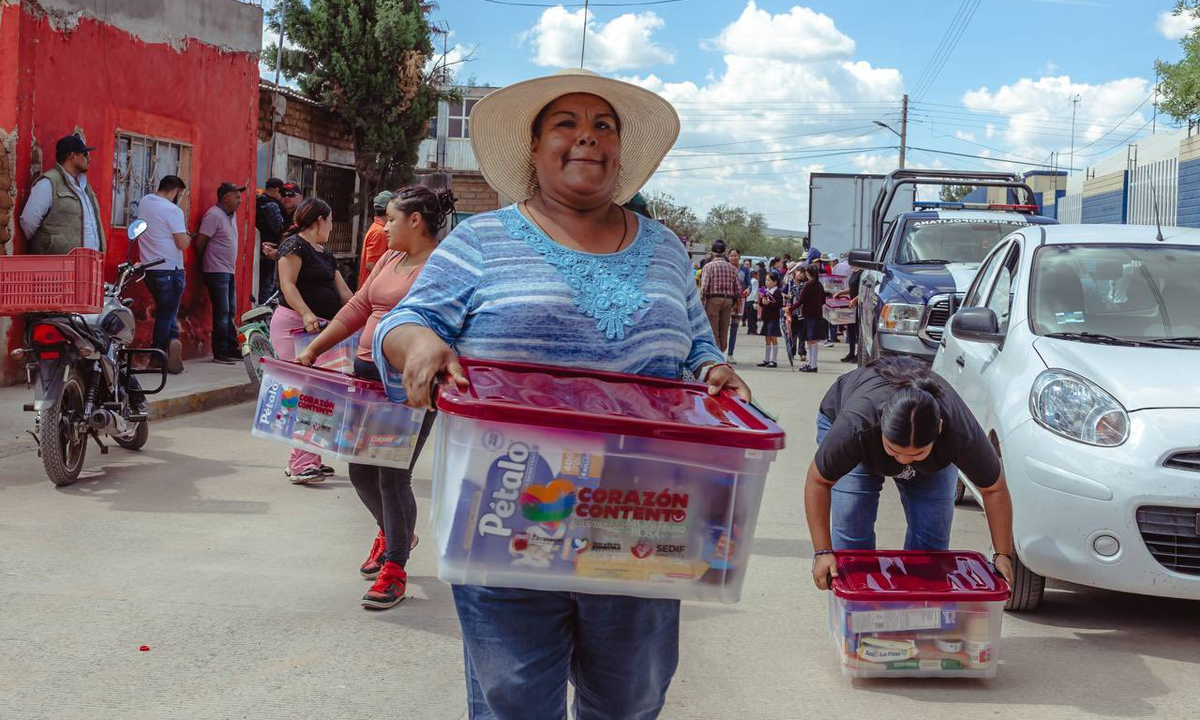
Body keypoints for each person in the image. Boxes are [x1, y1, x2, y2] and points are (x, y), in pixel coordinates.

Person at [374, 68, 751, 720]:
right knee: (513, 700)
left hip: (642, 518)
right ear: (534, 148)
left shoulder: (664, 249)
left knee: (630, 699)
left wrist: (716, 373)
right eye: (567, 125)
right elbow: (406, 326)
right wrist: (420, 347)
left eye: (603, 126)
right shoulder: (480, 241)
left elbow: (696, 348)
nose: (588, 138)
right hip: (504, 518)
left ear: (620, 150)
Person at [297, 186, 455, 608]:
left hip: (406, 385)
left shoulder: (441, 267)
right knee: (359, 472)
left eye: (391, 218)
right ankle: (394, 528)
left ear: (416, 221)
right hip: (365, 377)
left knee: (391, 473)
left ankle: (395, 566)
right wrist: (314, 349)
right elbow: (358, 308)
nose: (384, 227)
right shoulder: (391, 258)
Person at [805, 357, 1016, 589]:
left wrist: (1002, 554)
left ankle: (914, 616)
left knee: (931, 548)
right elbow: (819, 481)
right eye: (894, 451)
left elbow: (994, 488)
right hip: (855, 435)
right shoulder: (856, 426)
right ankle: (859, 616)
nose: (905, 461)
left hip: (932, 459)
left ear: (939, 429)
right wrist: (822, 551)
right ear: (881, 425)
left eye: (917, 454)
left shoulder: (960, 432)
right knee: (852, 534)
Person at [271, 198, 353, 484]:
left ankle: (304, 459)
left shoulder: (325, 254)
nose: (331, 227)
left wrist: (367, 317)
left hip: (322, 330)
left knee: (322, 395)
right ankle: (304, 463)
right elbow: (288, 284)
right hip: (295, 327)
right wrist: (306, 313)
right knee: (309, 394)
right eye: (330, 221)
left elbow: (346, 295)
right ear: (320, 219)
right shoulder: (294, 245)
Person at [135, 175, 190, 374]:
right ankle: (157, 355)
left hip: (150, 269)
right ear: (175, 190)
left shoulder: (145, 202)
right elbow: (182, 243)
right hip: (171, 269)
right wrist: (188, 236)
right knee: (166, 314)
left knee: (168, 311)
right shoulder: (173, 210)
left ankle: (173, 343)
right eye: (180, 194)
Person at [19, 134, 105, 255]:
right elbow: (28, 221)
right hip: (59, 267)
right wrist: (48, 244)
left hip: (89, 264)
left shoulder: (85, 186)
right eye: (85, 154)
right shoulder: (48, 183)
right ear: (73, 156)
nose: (89, 159)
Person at [195, 182, 245, 365]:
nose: (240, 200)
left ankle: (232, 348)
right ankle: (221, 352)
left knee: (230, 310)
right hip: (216, 271)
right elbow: (200, 243)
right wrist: (207, 262)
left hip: (228, 270)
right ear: (225, 197)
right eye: (236, 196)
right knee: (222, 311)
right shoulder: (213, 215)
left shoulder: (231, 215)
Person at [700, 238, 740, 355]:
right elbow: (738, 288)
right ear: (724, 252)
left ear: (712, 252)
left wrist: (701, 303)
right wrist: (736, 303)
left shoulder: (709, 266)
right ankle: (722, 350)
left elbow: (704, 288)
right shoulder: (732, 268)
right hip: (728, 300)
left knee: (713, 329)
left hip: (713, 299)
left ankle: (716, 354)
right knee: (724, 328)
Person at [255, 178, 288, 301]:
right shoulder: (271, 205)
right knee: (267, 286)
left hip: (261, 249)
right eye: (282, 192)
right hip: (269, 249)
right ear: (276, 189)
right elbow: (279, 228)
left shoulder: (259, 201)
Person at [357, 190, 395, 284]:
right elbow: (371, 264)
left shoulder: (378, 228)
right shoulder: (380, 232)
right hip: (371, 290)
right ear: (389, 210)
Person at [797, 265, 827, 373]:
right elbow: (823, 300)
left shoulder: (809, 285)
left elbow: (801, 300)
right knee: (810, 341)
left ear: (807, 274)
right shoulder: (819, 285)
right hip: (816, 315)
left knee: (812, 341)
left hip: (810, 316)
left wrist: (790, 308)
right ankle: (810, 363)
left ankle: (813, 365)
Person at [835, 267, 862, 363]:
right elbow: (852, 288)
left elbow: (864, 290)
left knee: (858, 332)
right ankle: (851, 353)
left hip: (859, 306)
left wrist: (855, 300)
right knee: (850, 330)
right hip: (851, 306)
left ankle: (859, 354)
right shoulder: (854, 272)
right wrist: (841, 293)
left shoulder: (862, 273)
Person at [757, 270, 783, 368]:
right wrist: (762, 300)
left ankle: (774, 360)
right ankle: (767, 359)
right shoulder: (765, 291)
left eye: (769, 280)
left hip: (773, 318)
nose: (766, 282)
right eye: (766, 280)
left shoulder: (777, 292)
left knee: (773, 338)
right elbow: (761, 304)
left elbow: (780, 305)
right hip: (766, 318)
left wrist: (770, 303)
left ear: (775, 282)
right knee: (767, 338)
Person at [725, 248, 745, 364]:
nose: (733, 257)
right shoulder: (725, 268)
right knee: (722, 329)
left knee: (734, 330)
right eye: (731, 255)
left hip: (739, 303)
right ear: (728, 257)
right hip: (727, 302)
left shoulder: (744, 270)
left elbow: (748, 284)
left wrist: (748, 289)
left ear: (739, 256)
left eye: (736, 255)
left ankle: (730, 354)